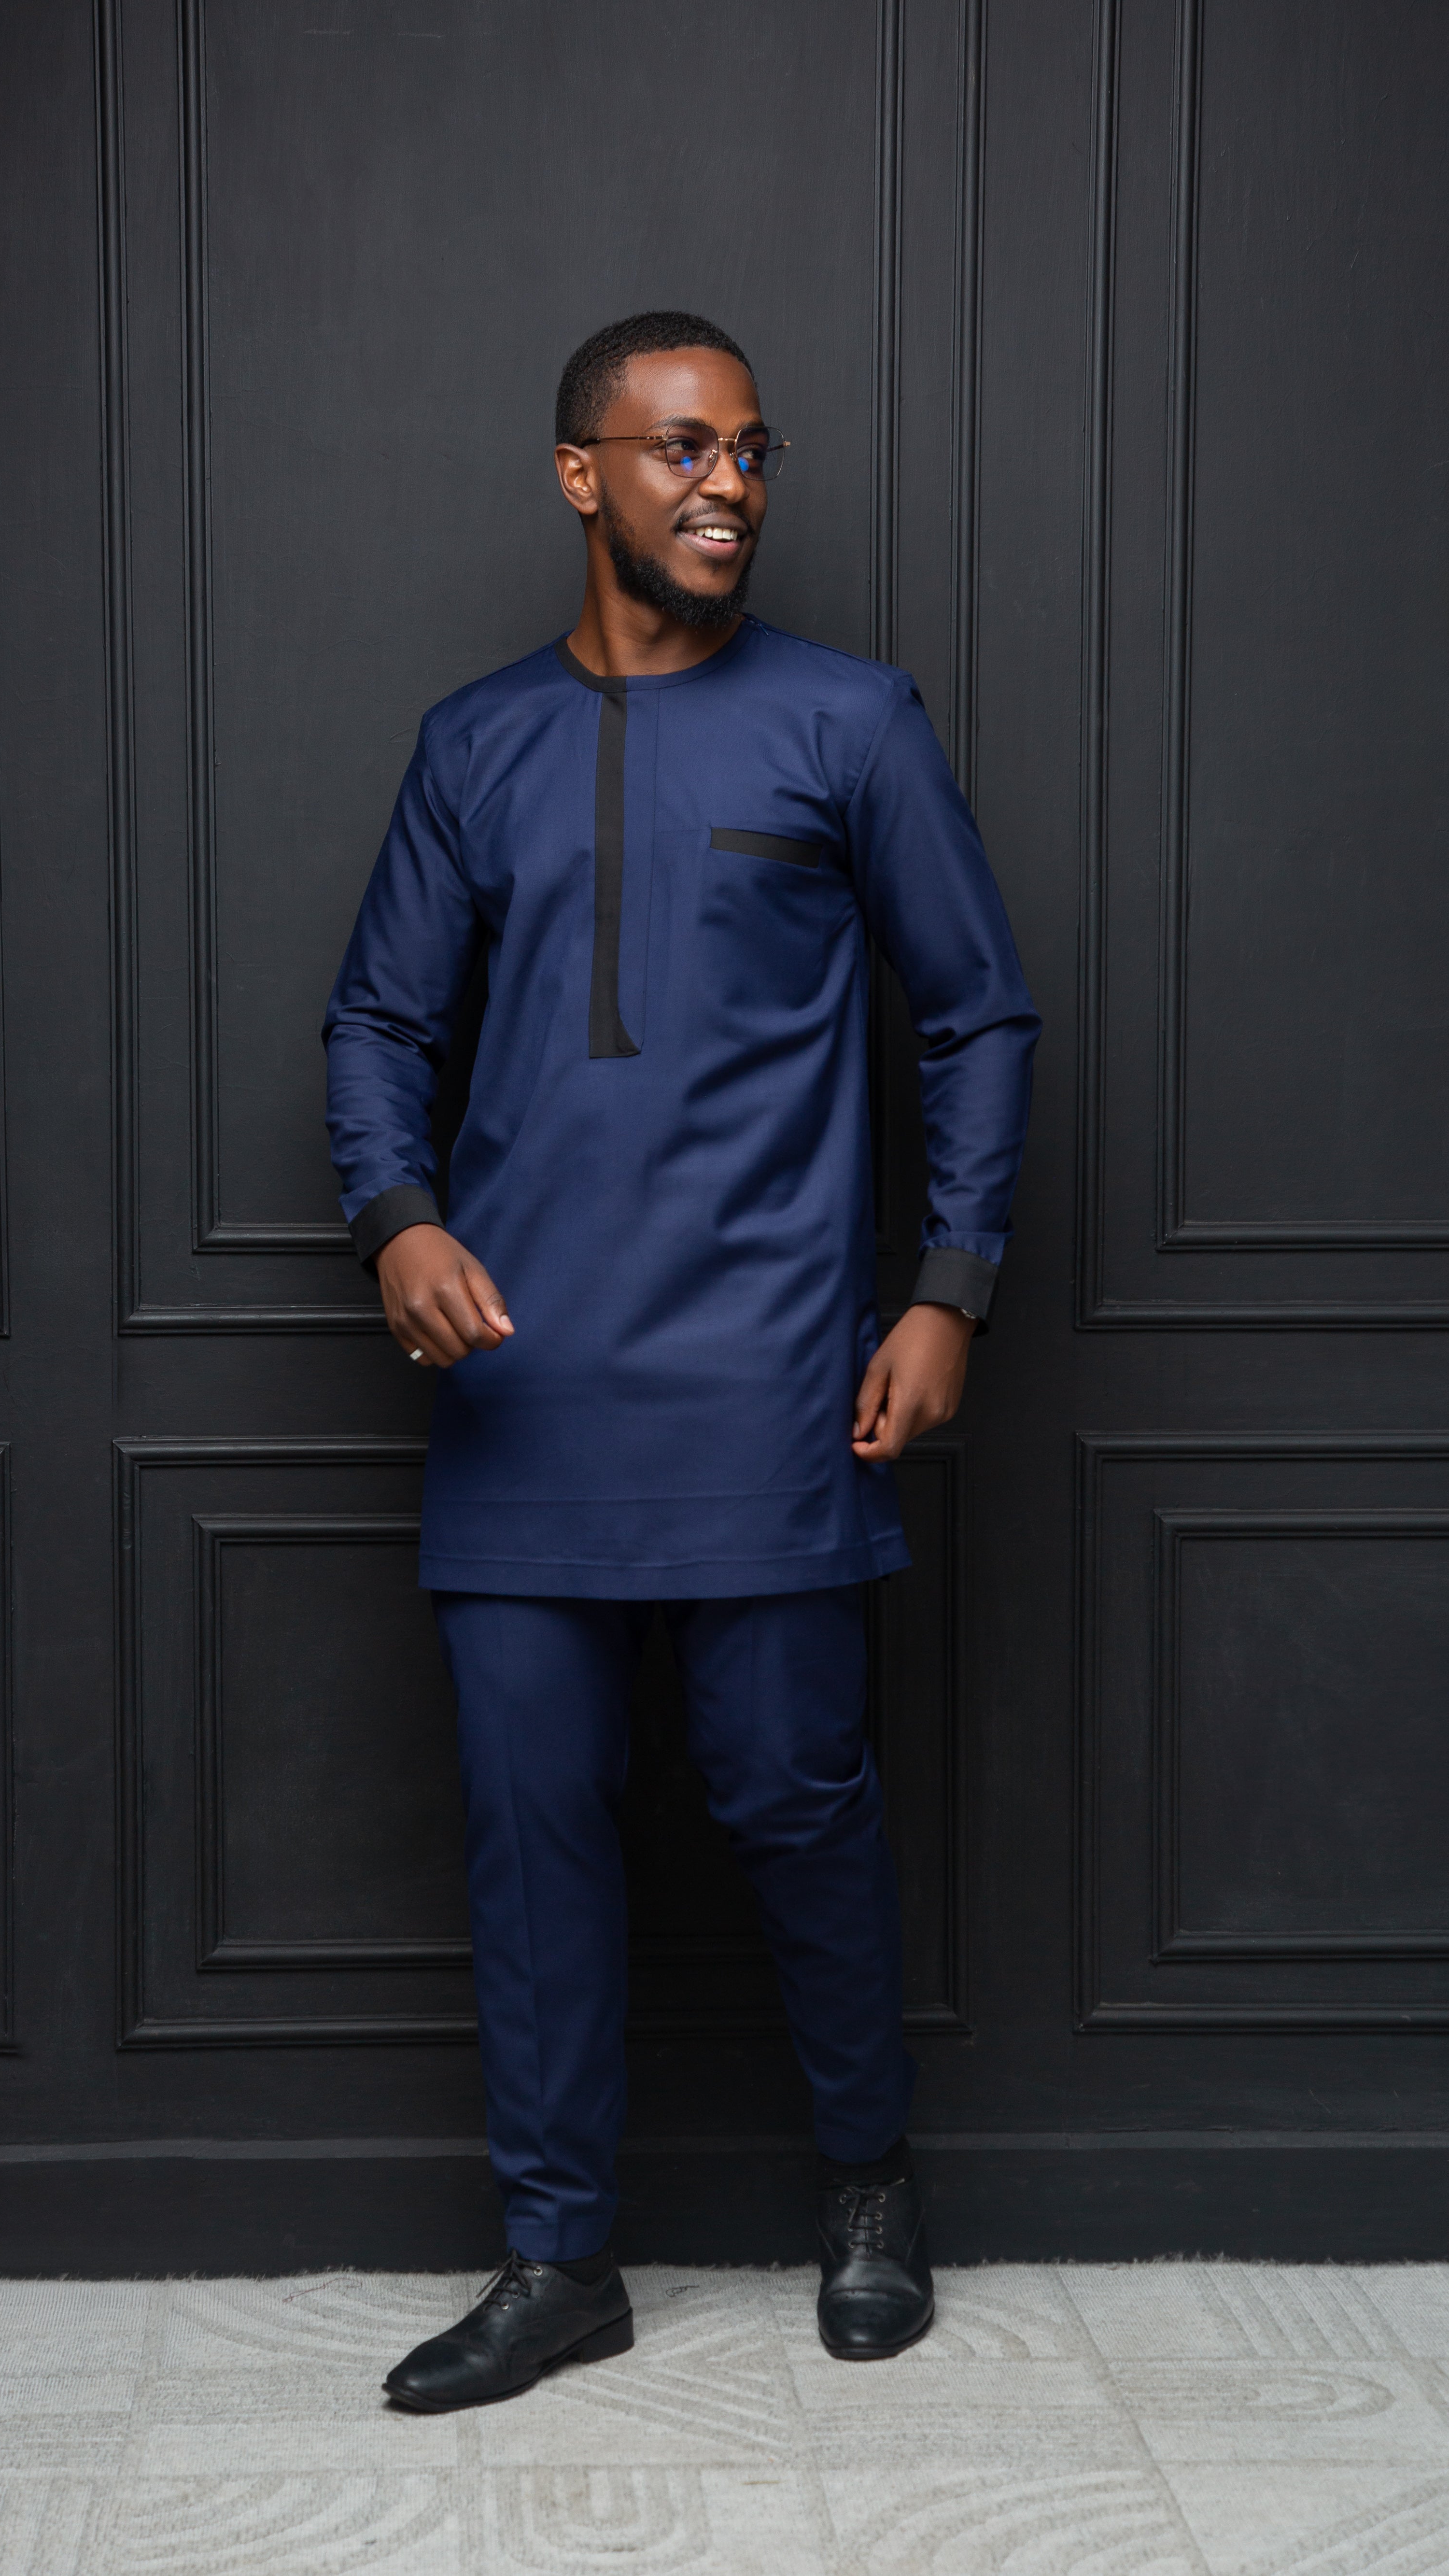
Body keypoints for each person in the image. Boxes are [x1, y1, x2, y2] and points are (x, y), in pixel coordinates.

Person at [324, 311, 1038, 2412]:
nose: (727, 483)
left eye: (747, 450)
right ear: (583, 476)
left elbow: (977, 1011)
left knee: (794, 1796)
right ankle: (559, 2259)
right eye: (679, 448)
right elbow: (376, 1019)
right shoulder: (473, 744)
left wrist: (949, 1287)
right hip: (522, 1388)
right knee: (531, 1822)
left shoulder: (850, 721)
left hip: (768, 1377)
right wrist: (398, 1215)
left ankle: (869, 2188)